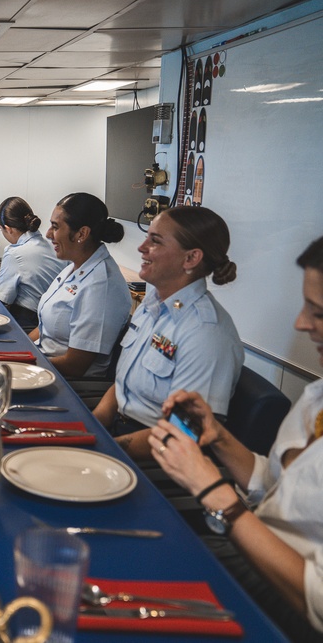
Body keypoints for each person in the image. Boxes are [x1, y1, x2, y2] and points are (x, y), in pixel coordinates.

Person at [147, 235, 323, 642]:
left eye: (317, 311)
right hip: (251, 553)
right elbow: (276, 489)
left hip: (285, 611)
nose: (300, 322)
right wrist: (220, 438)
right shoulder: (316, 397)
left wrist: (212, 490)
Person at [93, 206, 243, 459]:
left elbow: (183, 433)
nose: (141, 247)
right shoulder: (153, 304)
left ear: (190, 259)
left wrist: (104, 449)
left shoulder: (207, 333)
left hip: (156, 458)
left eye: (155, 241)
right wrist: (91, 426)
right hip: (117, 434)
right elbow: (122, 387)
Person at [30, 192, 132, 378]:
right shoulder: (75, 267)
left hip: (65, 382)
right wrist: (20, 350)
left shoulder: (101, 286)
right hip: (42, 364)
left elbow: (74, 366)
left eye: (55, 226)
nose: (48, 234)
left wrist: (24, 364)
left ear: (81, 233)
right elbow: (44, 328)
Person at [0, 196, 65, 329]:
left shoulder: (14, 253)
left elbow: (3, 300)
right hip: (56, 321)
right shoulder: (55, 247)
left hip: (28, 322)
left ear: (8, 229)